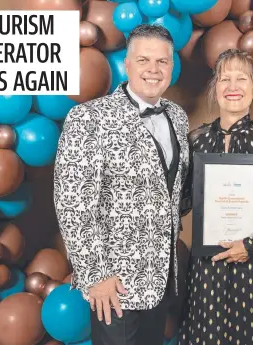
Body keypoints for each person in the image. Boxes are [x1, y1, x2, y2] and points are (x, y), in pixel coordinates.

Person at [53, 24, 190, 345]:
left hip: (161, 278)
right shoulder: (88, 117)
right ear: (127, 64)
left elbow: (172, 192)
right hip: (114, 284)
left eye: (162, 62)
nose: (153, 70)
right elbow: (72, 205)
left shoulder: (178, 117)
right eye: (144, 60)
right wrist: (95, 276)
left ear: (171, 66)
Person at [178, 49, 253, 345]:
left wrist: (251, 244)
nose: (233, 86)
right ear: (215, 88)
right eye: (225, 79)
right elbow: (180, 201)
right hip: (210, 266)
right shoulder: (195, 141)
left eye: (241, 79)